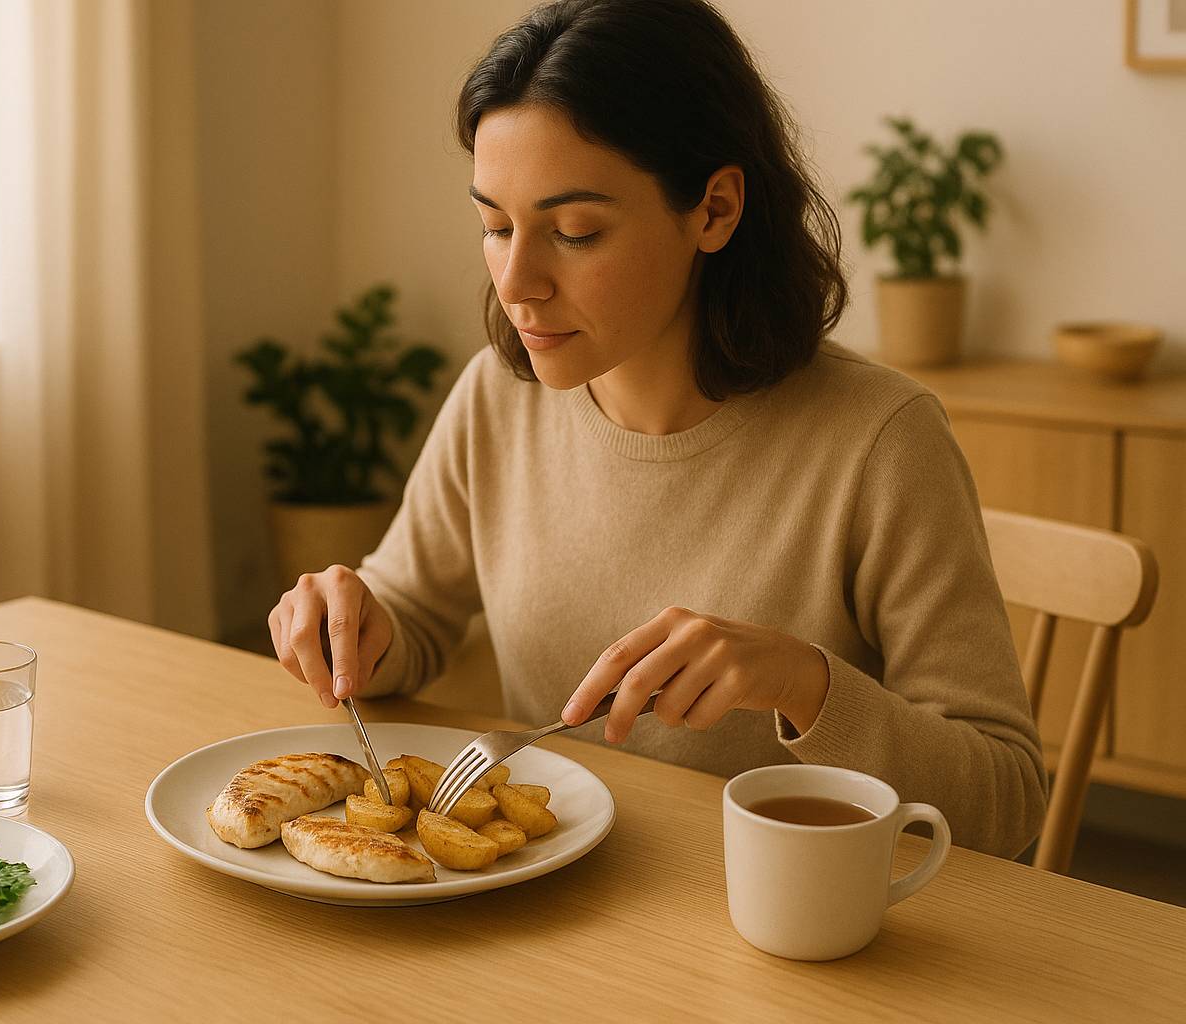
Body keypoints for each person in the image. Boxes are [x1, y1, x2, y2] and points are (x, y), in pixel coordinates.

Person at [266, 0, 1046, 858]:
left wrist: (804, 683)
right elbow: (408, 616)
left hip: (780, 935)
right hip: (556, 911)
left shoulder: (881, 442)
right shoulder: (498, 396)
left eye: (574, 232)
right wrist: (352, 624)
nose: (517, 281)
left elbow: (1007, 805)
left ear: (714, 209)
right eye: (495, 225)